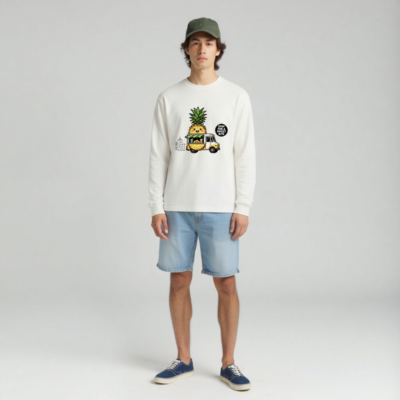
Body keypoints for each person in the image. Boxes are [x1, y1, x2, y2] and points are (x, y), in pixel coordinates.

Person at [148, 17, 256, 391]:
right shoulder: (169, 98)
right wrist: (156, 205)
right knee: (179, 280)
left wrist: (242, 206)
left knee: (226, 284)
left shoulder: (236, 97)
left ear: (219, 49)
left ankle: (229, 362)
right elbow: (158, 155)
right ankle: (183, 359)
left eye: (209, 43)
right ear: (186, 49)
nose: (202, 49)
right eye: (195, 43)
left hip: (221, 206)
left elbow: (245, 155)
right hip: (177, 206)